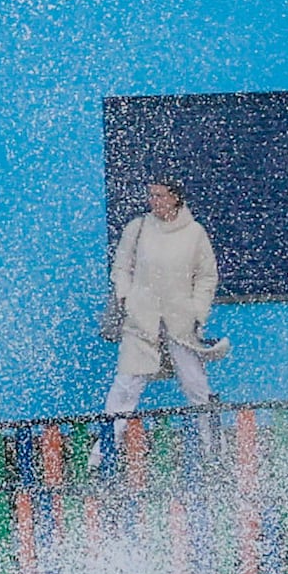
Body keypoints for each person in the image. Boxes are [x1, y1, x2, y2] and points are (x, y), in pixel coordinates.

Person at [106, 177, 225, 413]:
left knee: (195, 384)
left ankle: (212, 444)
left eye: (160, 196)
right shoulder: (138, 228)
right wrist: (127, 297)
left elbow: (206, 276)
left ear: (175, 198)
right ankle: (104, 449)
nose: (154, 201)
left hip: (180, 321)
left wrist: (197, 311)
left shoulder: (194, 233)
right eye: (151, 195)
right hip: (141, 319)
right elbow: (121, 267)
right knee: (126, 385)